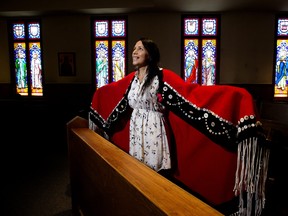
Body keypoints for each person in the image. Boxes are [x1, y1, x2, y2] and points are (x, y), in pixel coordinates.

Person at [89, 37, 269, 216]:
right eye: (134, 48)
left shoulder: (161, 76)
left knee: (155, 177)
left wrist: (238, 96)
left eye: (140, 49)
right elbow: (112, 90)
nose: (134, 52)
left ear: (150, 54)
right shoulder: (131, 80)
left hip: (154, 132)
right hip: (136, 132)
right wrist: (98, 98)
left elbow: (192, 92)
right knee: (138, 175)